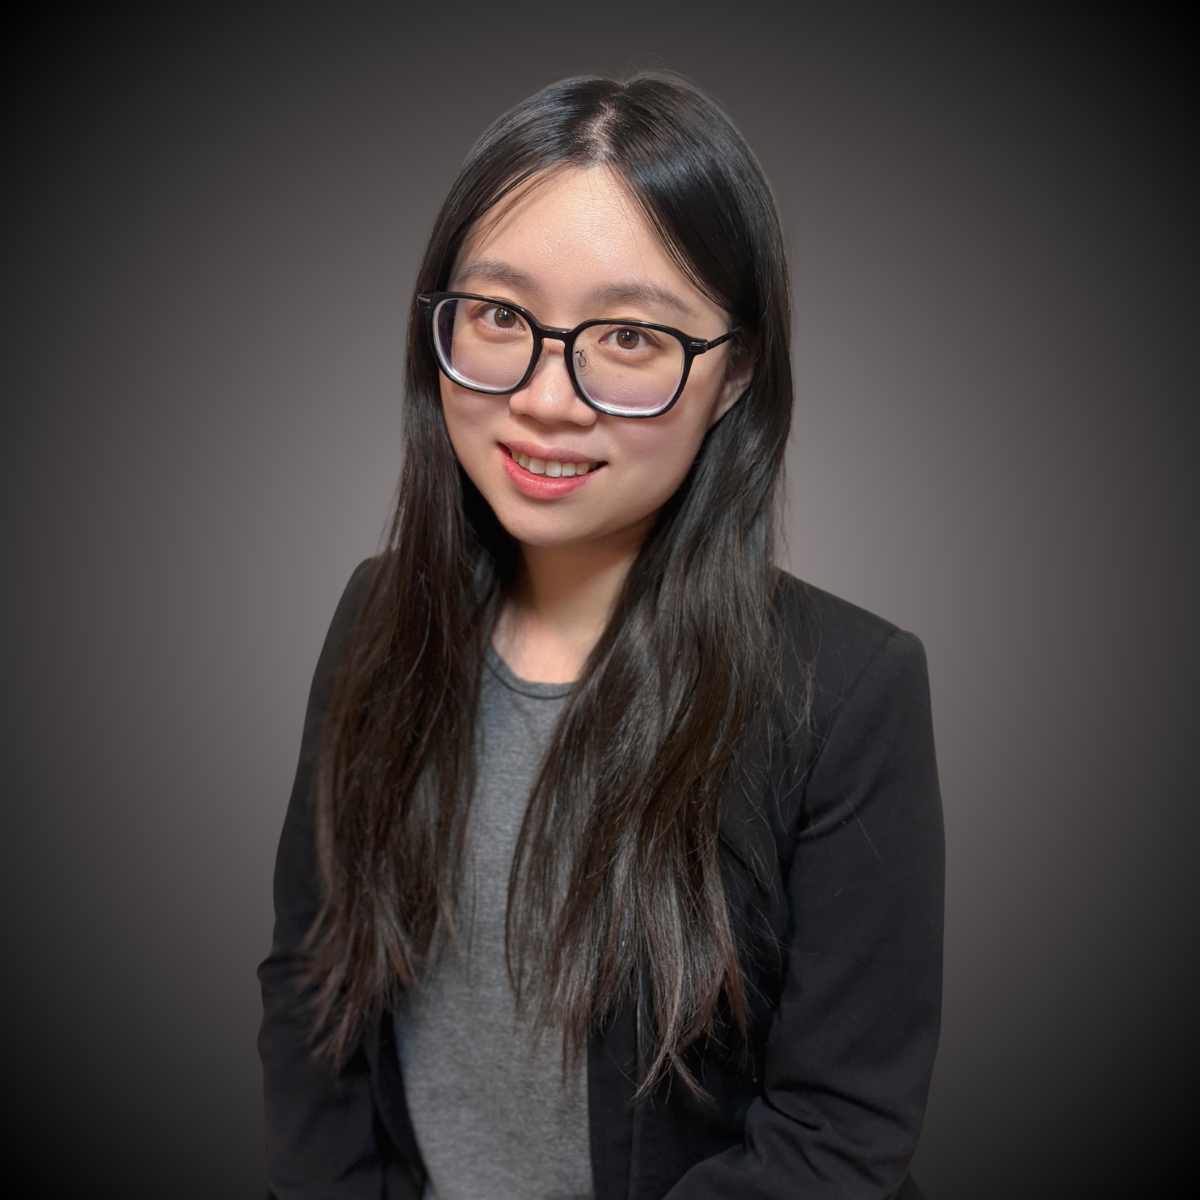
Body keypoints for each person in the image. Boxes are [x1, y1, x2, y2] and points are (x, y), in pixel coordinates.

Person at [259, 73, 944, 1200]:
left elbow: (838, 1129)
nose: (544, 396)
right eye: (500, 316)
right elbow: (311, 990)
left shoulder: (851, 693)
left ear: (736, 373)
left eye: (628, 336)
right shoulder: (376, 621)